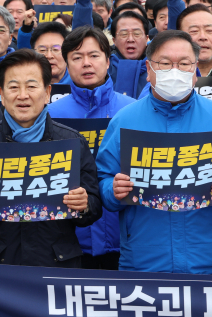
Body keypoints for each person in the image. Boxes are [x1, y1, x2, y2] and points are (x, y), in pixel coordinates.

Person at [96, 30, 212, 274]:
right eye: (165, 64)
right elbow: (102, 179)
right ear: (149, 69)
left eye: (184, 64)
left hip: (206, 259)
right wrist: (112, 190)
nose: (175, 71)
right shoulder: (125, 120)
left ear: (195, 70)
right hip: (143, 261)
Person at [0, 49, 102, 267]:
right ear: (1, 93)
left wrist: (84, 204)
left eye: (31, 86)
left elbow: (94, 205)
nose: (23, 95)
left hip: (57, 264)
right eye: (13, 87)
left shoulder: (71, 141)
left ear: (47, 93)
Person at [48, 26, 135, 270]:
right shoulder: (50, 116)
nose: (86, 63)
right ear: (66, 63)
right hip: (70, 244)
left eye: (94, 55)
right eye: (77, 57)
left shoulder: (132, 110)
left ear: (108, 61)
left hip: (126, 240)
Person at [108, 11, 150, 98]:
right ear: (114, 40)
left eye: (137, 34)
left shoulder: (157, 68)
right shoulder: (106, 68)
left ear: (146, 39)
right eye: (124, 34)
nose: (130, 39)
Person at [25, 21, 73, 85]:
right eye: (42, 50)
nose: (49, 56)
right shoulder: (25, 85)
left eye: (56, 49)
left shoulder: (81, 84)